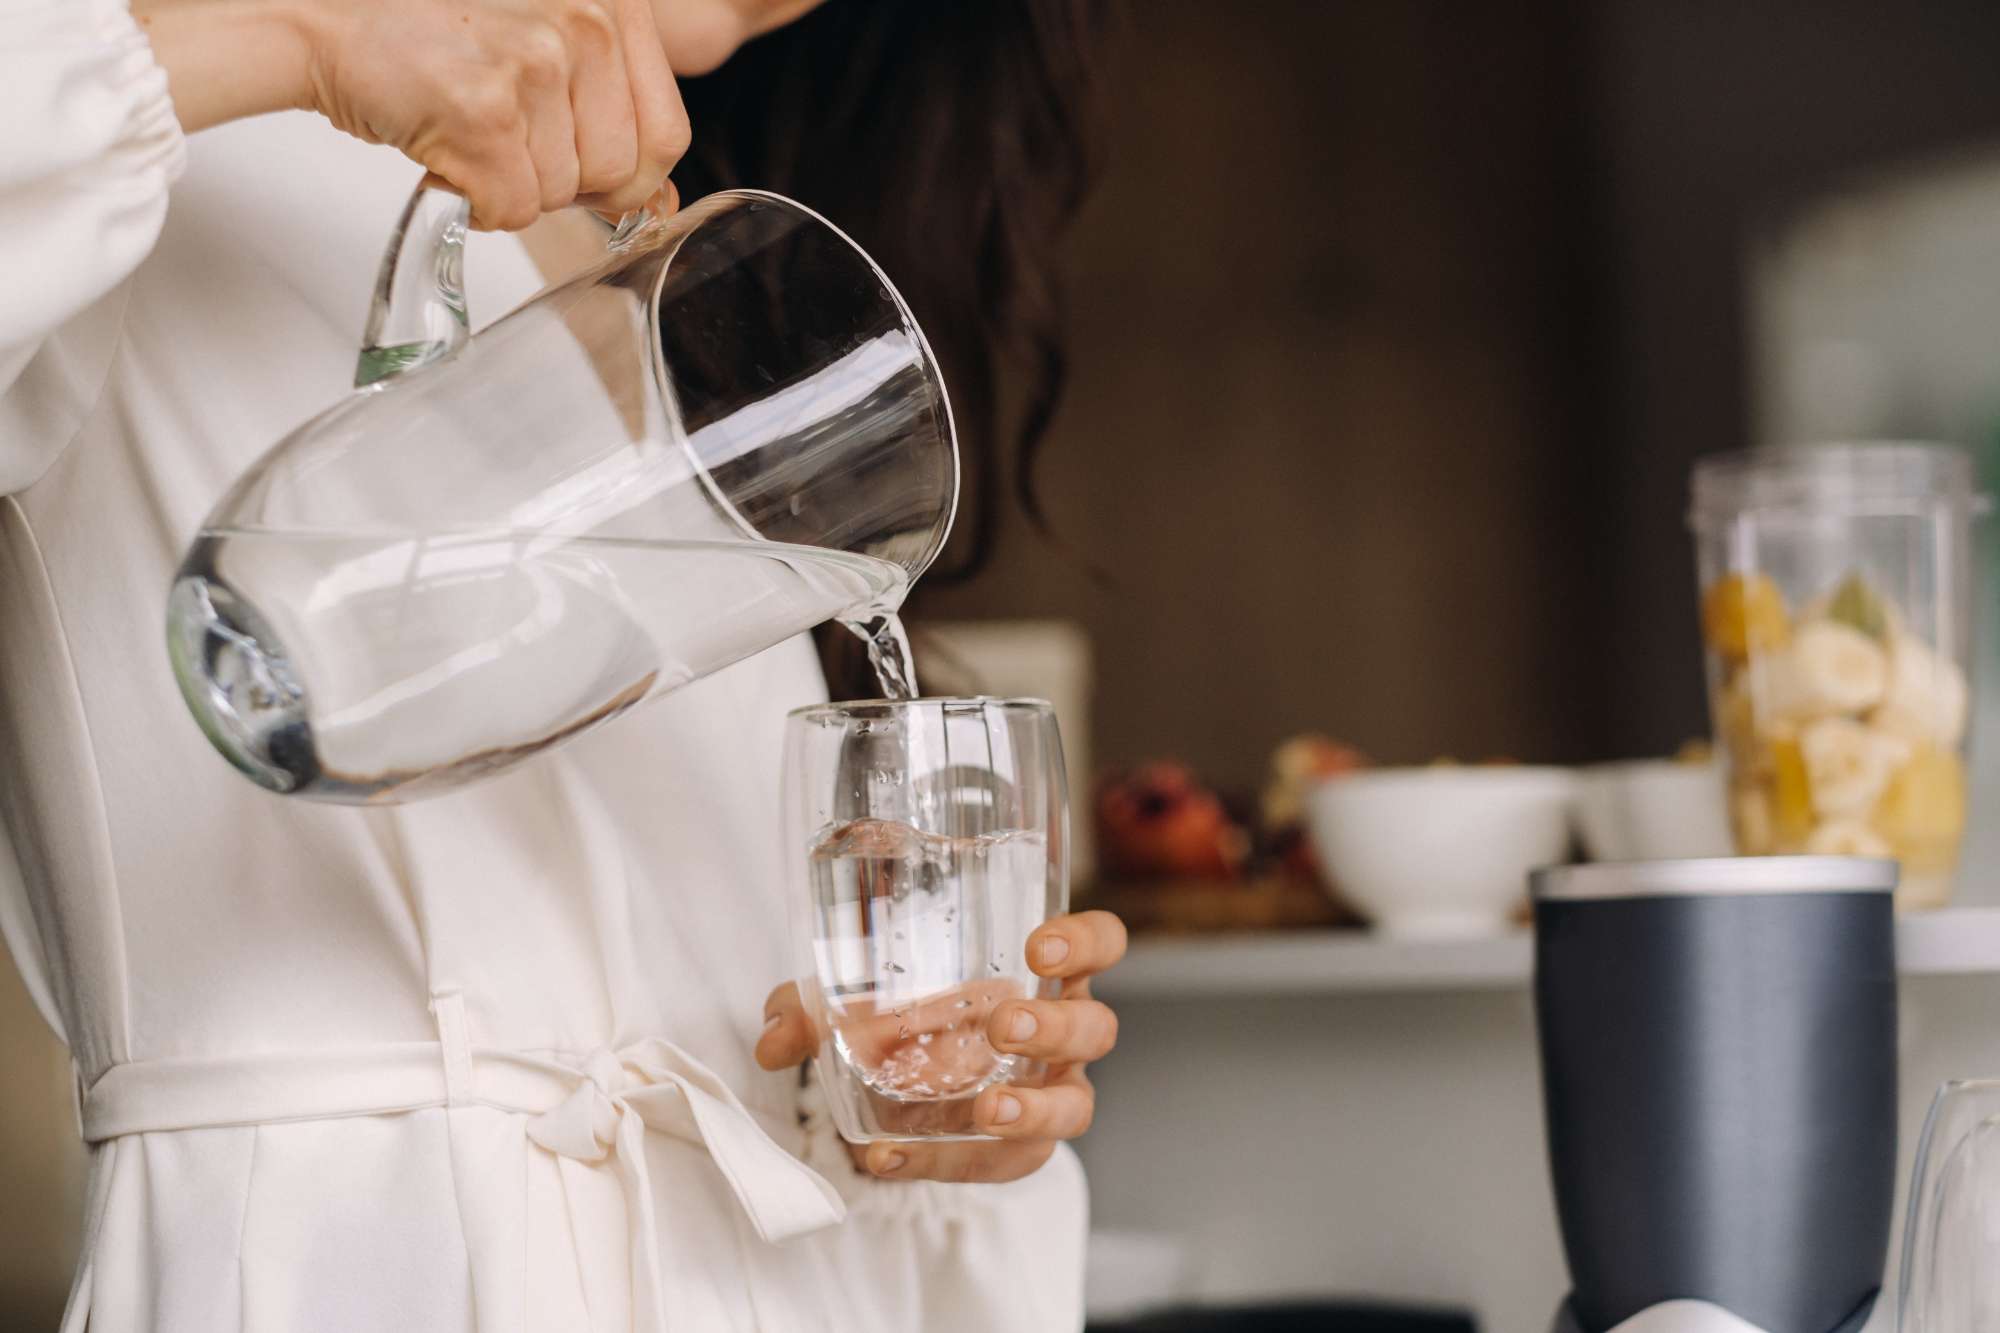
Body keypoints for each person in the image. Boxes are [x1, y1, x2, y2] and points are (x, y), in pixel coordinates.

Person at [0, 0, 1122, 1328]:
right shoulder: (176, 97)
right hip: (355, 1276)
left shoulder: (685, 238)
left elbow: (698, 1010)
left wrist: (901, 1109)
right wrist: (298, 34)